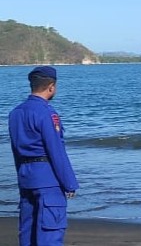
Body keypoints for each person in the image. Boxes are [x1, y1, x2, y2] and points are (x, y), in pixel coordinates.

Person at [8, 66, 79, 246]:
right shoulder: (47, 113)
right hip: (48, 179)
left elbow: (16, 150)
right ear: (51, 87)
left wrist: (21, 179)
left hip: (26, 177)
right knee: (50, 235)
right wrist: (69, 182)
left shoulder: (15, 113)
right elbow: (56, 150)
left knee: (28, 235)